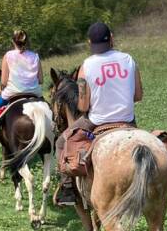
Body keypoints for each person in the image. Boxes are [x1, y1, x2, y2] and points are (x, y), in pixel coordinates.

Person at [54, 22, 142, 206]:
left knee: (62, 141)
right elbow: (138, 95)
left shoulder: (87, 65)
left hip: (96, 121)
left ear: (89, 42)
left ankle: (68, 186)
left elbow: (84, 106)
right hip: (128, 121)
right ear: (111, 38)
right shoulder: (128, 59)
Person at [0, 29, 43, 155]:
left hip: (13, 93)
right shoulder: (35, 56)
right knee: (51, 112)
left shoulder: (8, 55)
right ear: (27, 41)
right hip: (34, 93)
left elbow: (4, 81)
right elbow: (41, 80)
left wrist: (3, 86)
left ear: (12, 41)